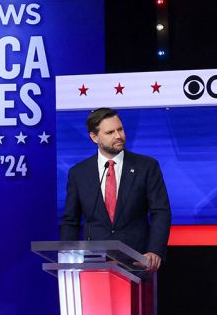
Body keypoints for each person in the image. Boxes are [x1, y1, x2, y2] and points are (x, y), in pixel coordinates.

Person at [60, 107, 170, 271]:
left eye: (120, 129)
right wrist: (67, 258)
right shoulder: (79, 173)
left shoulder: (146, 166)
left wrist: (154, 251)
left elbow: (161, 212)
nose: (118, 136)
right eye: (110, 132)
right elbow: (70, 221)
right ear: (94, 137)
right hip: (94, 264)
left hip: (138, 261)